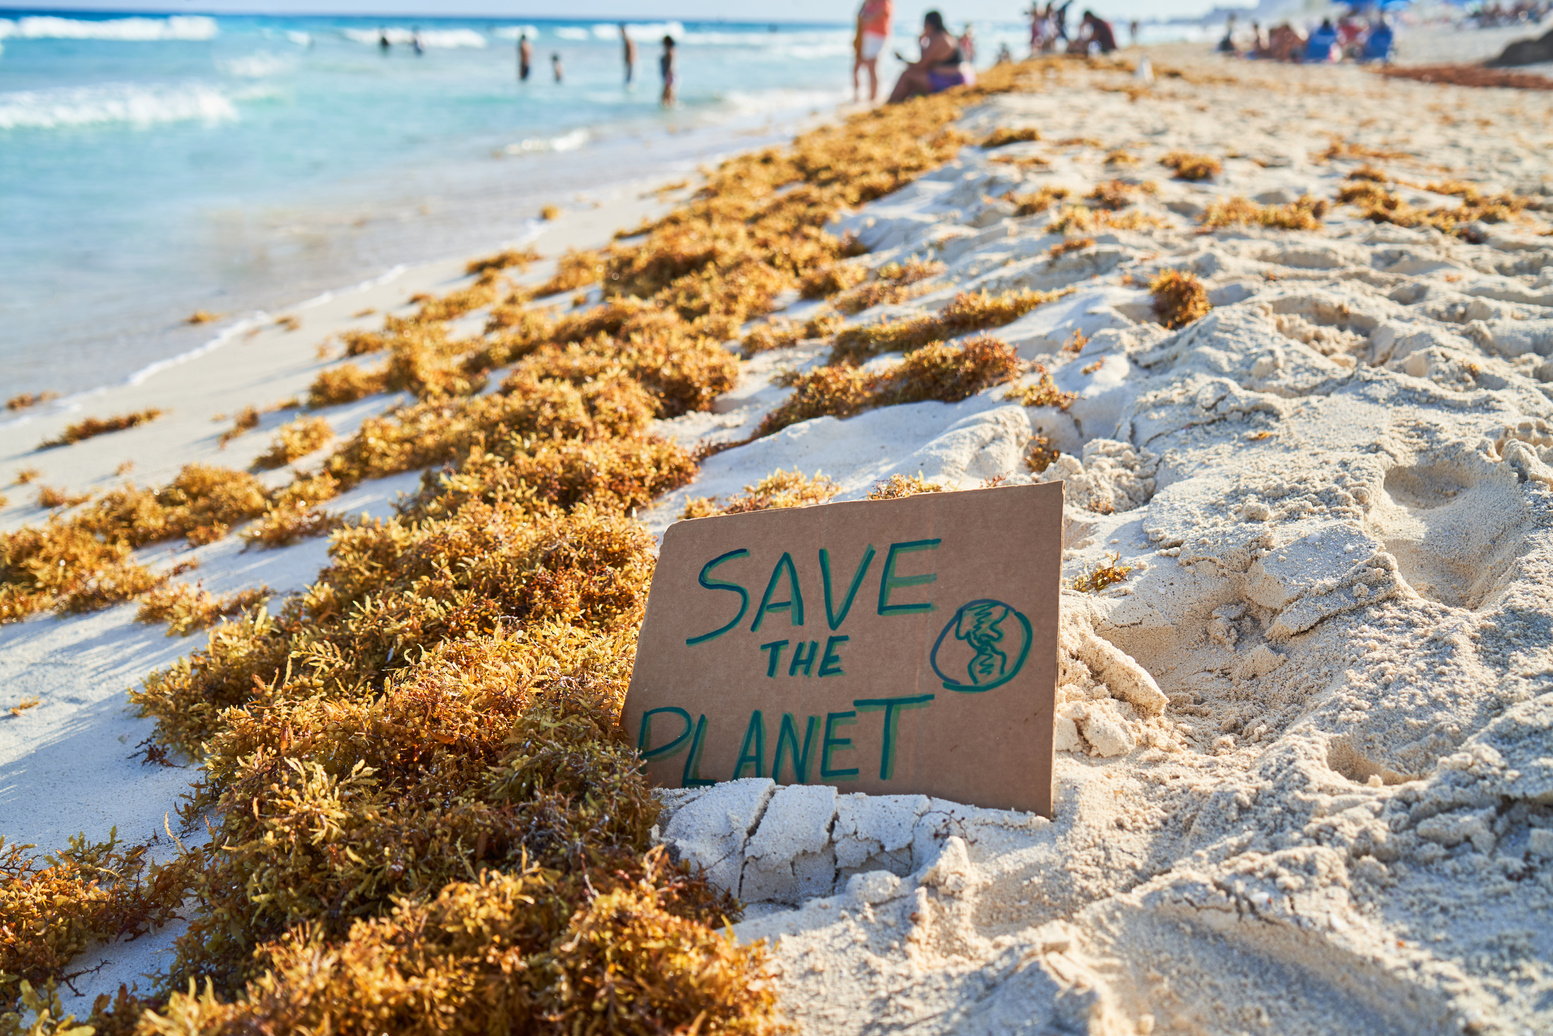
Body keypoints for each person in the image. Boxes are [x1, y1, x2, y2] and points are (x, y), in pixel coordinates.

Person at [887, 10, 970, 103]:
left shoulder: (938, 38)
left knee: (907, 76)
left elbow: (922, 65)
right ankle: (895, 103)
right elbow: (925, 64)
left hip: (952, 82)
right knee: (913, 81)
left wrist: (919, 45)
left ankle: (890, 103)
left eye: (924, 25)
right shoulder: (946, 36)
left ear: (929, 24)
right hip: (960, 79)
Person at [853, 0, 893, 103]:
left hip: (878, 36)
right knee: (857, 66)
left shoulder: (884, 2)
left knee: (872, 65)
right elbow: (859, 16)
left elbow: (873, 17)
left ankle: (873, 97)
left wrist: (864, 19)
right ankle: (858, 96)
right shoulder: (868, 2)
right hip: (866, 35)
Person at [660, 35, 676, 106]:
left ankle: (669, 112)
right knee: (669, 95)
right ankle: (670, 111)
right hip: (668, 75)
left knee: (666, 96)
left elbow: (671, 65)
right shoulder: (669, 51)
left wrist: (668, 76)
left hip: (669, 75)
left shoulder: (670, 51)